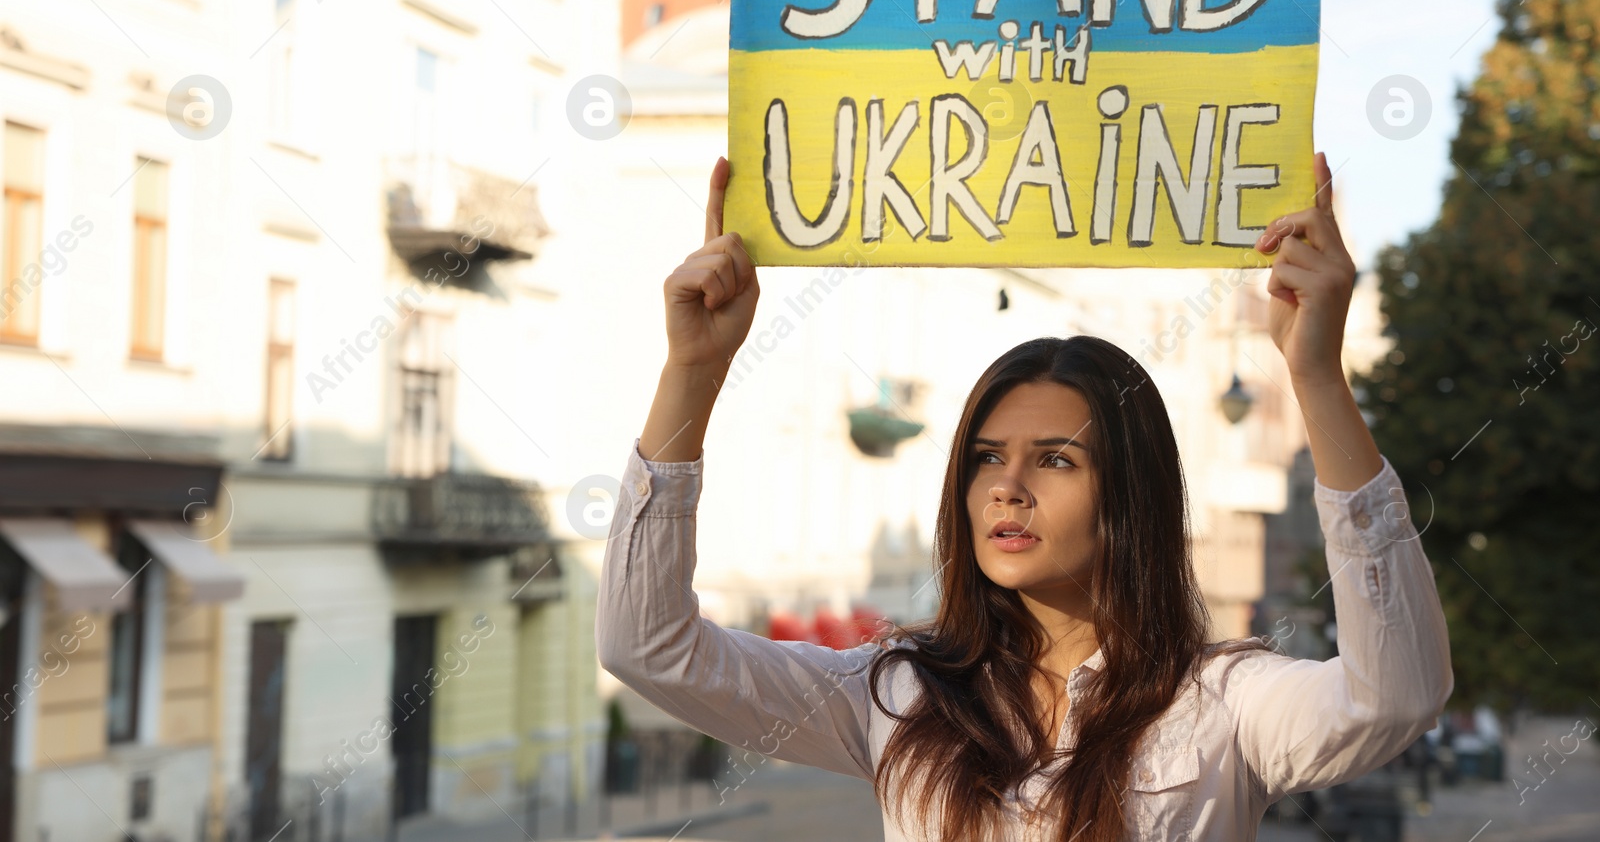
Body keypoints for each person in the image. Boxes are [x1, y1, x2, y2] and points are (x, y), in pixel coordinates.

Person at [596, 152, 1453, 841]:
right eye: (984, 458)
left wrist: (1315, 376)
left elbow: (1396, 695)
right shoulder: (895, 693)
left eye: (1055, 461)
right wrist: (694, 373)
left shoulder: (1225, 703)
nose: (1006, 486)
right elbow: (649, 648)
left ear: (1132, 499)